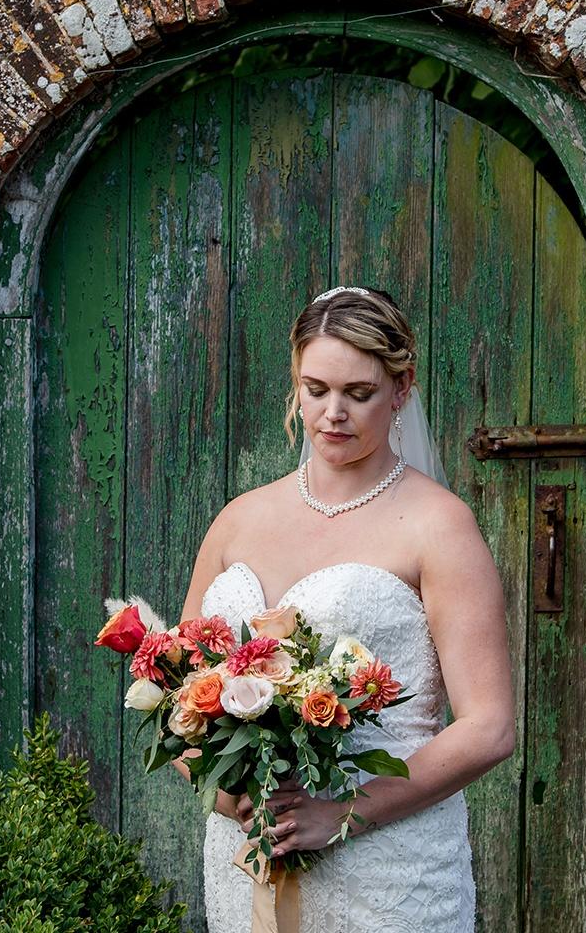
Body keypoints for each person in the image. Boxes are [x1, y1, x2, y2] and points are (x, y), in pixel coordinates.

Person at [171, 285, 515, 932]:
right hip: (249, 858)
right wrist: (229, 792)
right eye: (316, 388)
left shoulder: (439, 527)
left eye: (358, 393)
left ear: (401, 388)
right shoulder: (237, 521)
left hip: (386, 870)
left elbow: (489, 727)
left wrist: (343, 813)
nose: (333, 413)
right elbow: (176, 690)